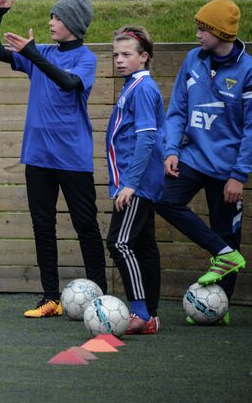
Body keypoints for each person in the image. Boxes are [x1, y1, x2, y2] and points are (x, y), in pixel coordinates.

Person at [0, 0, 108, 318]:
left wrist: (34, 54)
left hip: (72, 157)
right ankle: (50, 297)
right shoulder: (42, 53)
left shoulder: (86, 58)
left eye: (58, 17)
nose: (52, 21)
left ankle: (101, 297)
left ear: (73, 24)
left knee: (86, 225)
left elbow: (68, 83)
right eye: (52, 15)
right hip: (37, 156)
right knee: (43, 225)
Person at [155, 0, 249, 325]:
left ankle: (218, 306)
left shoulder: (248, 71)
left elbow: (251, 129)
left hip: (227, 169)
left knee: (229, 233)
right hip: (192, 157)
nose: (196, 33)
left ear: (220, 33)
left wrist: (239, 175)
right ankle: (221, 253)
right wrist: (170, 150)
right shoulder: (193, 59)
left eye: (202, 29)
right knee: (164, 199)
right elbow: (178, 109)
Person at [105, 26, 165, 335]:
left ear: (144, 57)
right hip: (136, 181)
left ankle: (140, 311)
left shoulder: (143, 89)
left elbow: (145, 141)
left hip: (136, 183)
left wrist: (129, 183)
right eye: (115, 54)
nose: (119, 60)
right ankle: (151, 316)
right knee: (144, 246)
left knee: (119, 242)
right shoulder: (133, 86)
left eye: (126, 54)